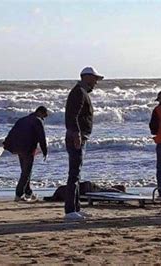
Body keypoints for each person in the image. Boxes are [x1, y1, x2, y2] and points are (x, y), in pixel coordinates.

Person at [64, 66, 104, 220]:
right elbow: (72, 116)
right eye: (94, 79)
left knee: (76, 174)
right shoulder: (78, 93)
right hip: (76, 136)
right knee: (74, 174)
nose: (96, 82)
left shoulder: (81, 92)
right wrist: (76, 134)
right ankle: (70, 210)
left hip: (80, 136)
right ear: (86, 77)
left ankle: (75, 208)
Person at [3, 106, 48, 203]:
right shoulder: (37, 121)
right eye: (43, 116)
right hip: (28, 149)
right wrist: (45, 151)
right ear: (40, 112)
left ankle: (28, 193)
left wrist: (7, 144)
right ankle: (18, 195)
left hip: (19, 149)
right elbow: (42, 137)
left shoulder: (22, 120)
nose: (43, 119)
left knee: (25, 171)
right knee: (26, 173)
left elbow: (12, 133)